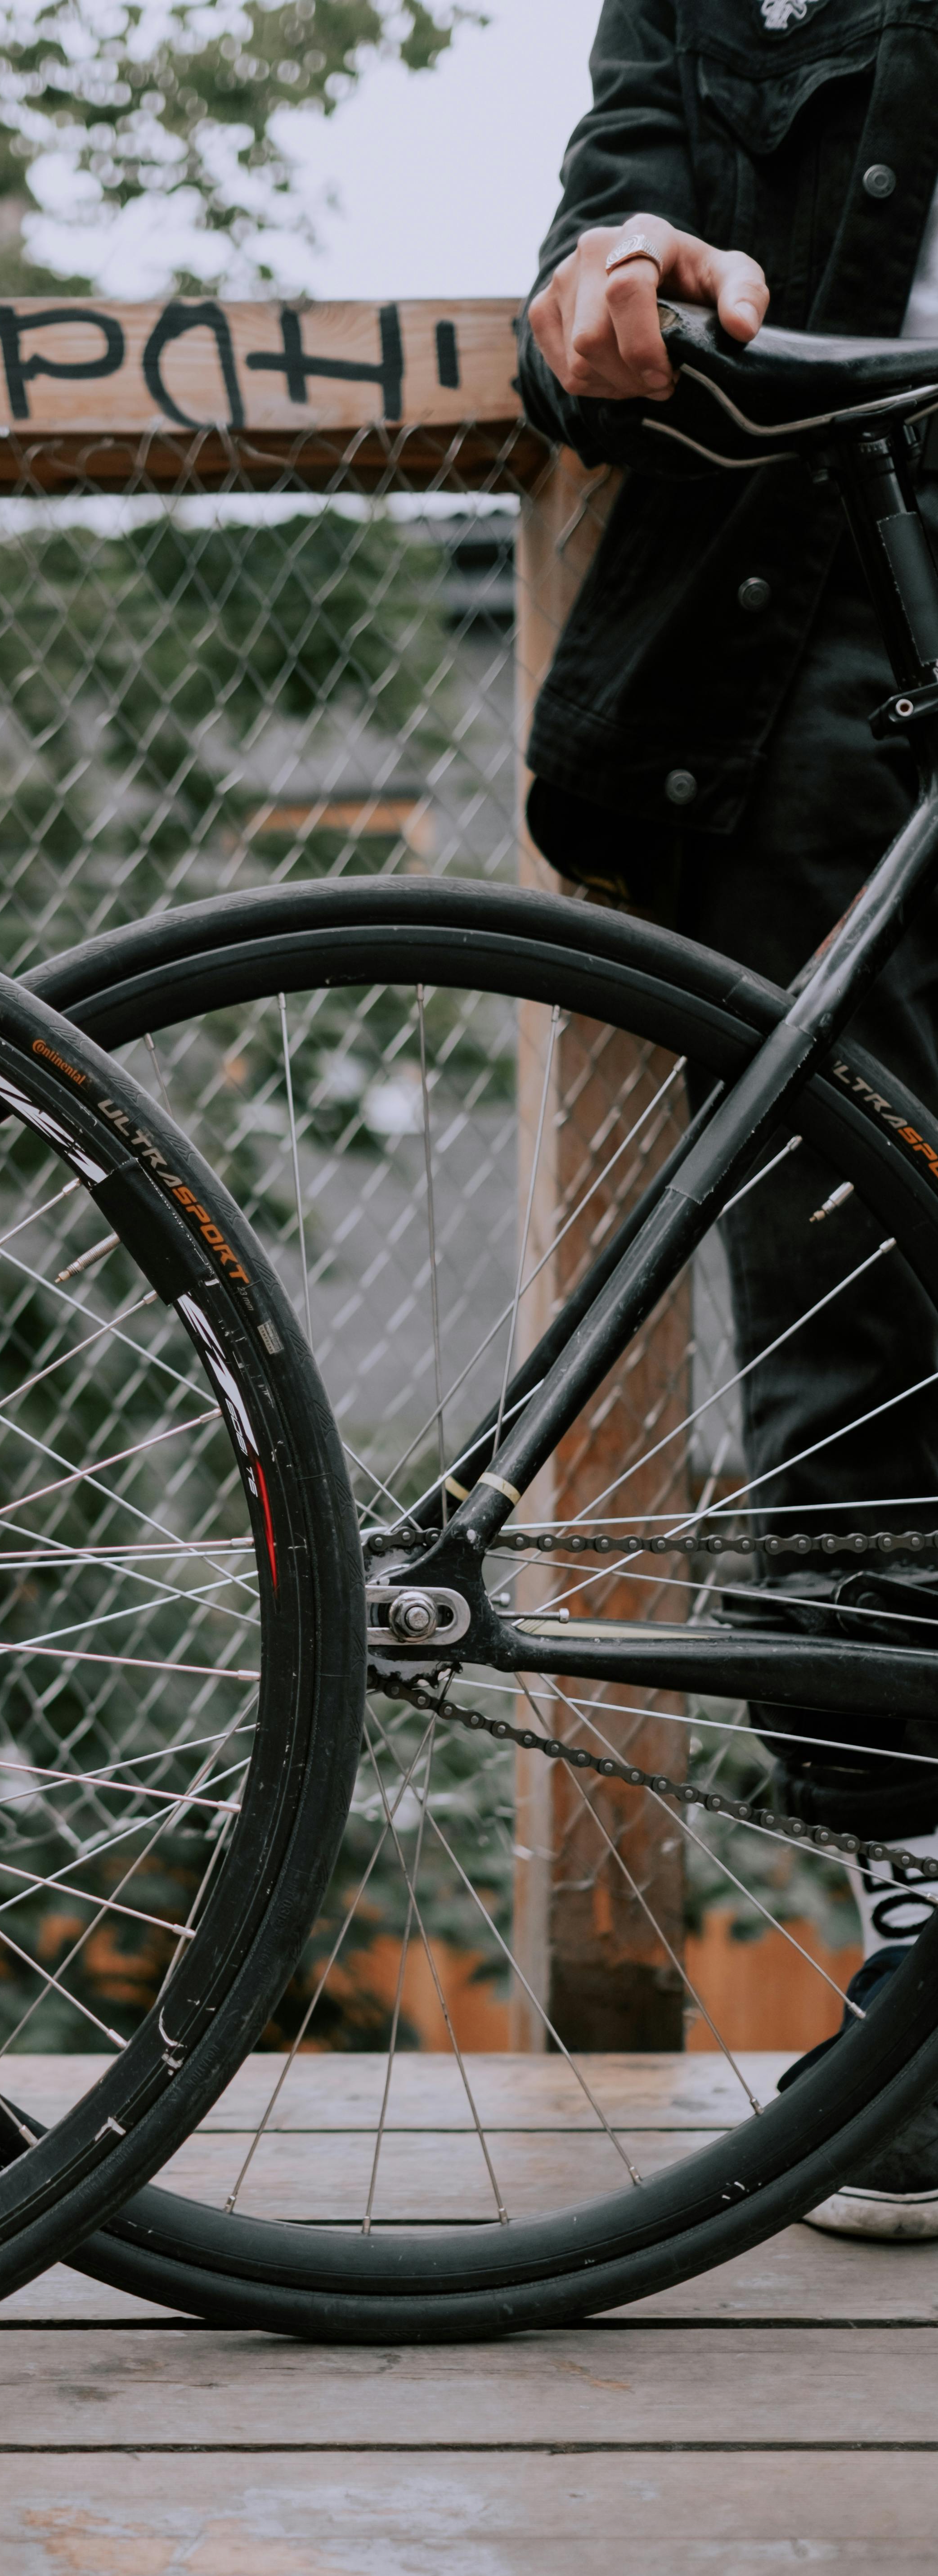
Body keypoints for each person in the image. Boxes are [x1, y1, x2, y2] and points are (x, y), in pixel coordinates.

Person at [518, 0, 938, 2236]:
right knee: (859, 1328)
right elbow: (618, 210)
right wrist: (607, 285)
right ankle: (933, 1923)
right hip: (820, 657)